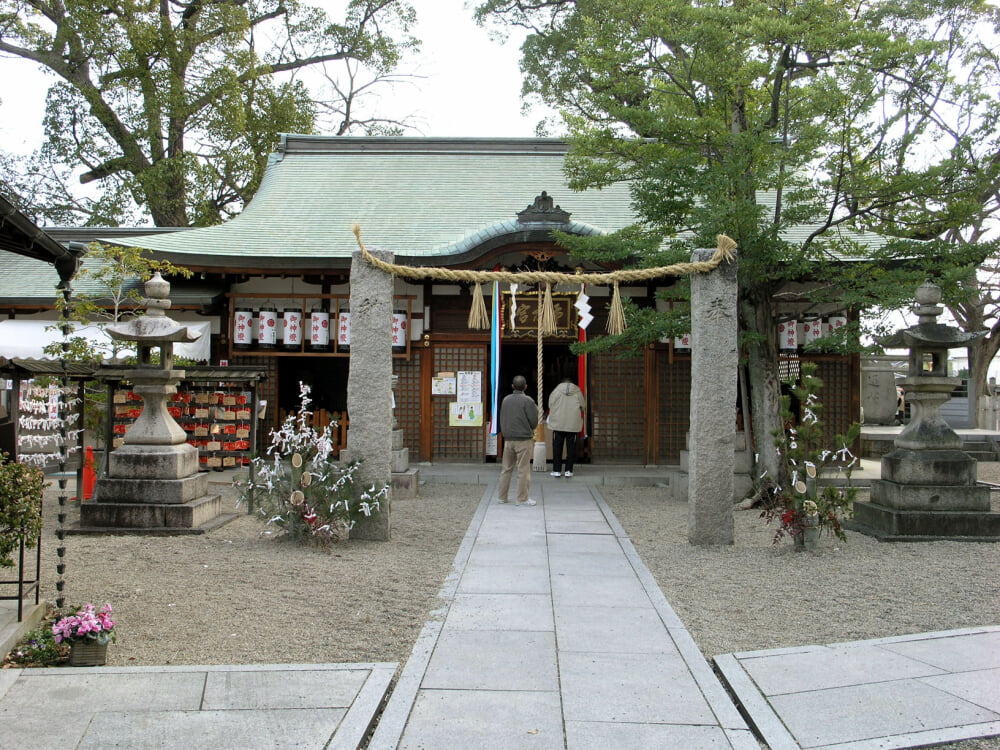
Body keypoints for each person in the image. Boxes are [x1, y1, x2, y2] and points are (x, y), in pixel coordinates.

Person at [498, 375, 538, 506]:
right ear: (525, 387)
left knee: (506, 469)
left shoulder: (506, 400)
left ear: (512, 386)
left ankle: (502, 497)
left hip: (508, 439)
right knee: (523, 469)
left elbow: (502, 417)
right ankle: (522, 498)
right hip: (523, 439)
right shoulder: (528, 401)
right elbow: (534, 421)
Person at [547, 375, 585, 477]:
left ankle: (557, 469)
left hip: (558, 423)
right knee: (571, 447)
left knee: (557, 447)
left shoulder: (556, 391)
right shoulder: (577, 391)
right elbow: (583, 406)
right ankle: (569, 470)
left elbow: (550, 404)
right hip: (572, 423)